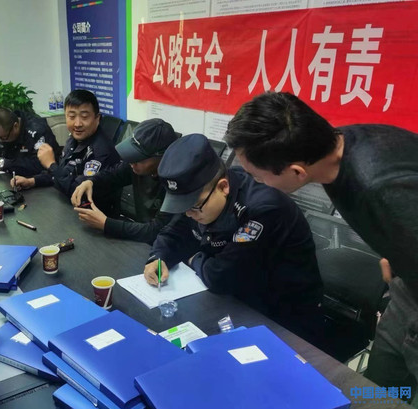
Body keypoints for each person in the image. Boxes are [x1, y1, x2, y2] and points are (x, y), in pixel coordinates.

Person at [224, 91, 418, 406]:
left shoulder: (377, 185)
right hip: (405, 290)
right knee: (378, 392)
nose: (255, 184)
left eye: (257, 177)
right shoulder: (341, 144)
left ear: (296, 172)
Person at [143, 133, 325, 345]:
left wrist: (194, 258)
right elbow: (173, 232)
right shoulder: (201, 196)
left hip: (283, 319)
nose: (188, 214)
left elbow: (220, 276)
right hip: (235, 301)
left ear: (223, 187)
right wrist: (158, 257)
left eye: (193, 207)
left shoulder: (263, 210)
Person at [70, 118, 178, 244]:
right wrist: (90, 182)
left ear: (163, 157)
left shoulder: (176, 184)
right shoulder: (135, 165)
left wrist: (106, 224)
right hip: (138, 239)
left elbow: (156, 231)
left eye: (139, 158)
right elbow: (113, 175)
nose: (132, 162)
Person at [16, 90, 121, 214]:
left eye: (84, 117)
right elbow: (64, 174)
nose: (77, 124)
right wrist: (32, 181)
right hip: (68, 208)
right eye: (71, 117)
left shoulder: (102, 151)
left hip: (94, 217)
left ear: (97, 118)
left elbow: (76, 191)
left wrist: (51, 165)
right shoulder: (74, 139)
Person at [0, 107, 61, 179]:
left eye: (3, 137)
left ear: (15, 126)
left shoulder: (37, 130)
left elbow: (40, 164)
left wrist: (4, 164)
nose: (0, 140)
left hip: (41, 181)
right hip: (12, 178)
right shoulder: (2, 130)